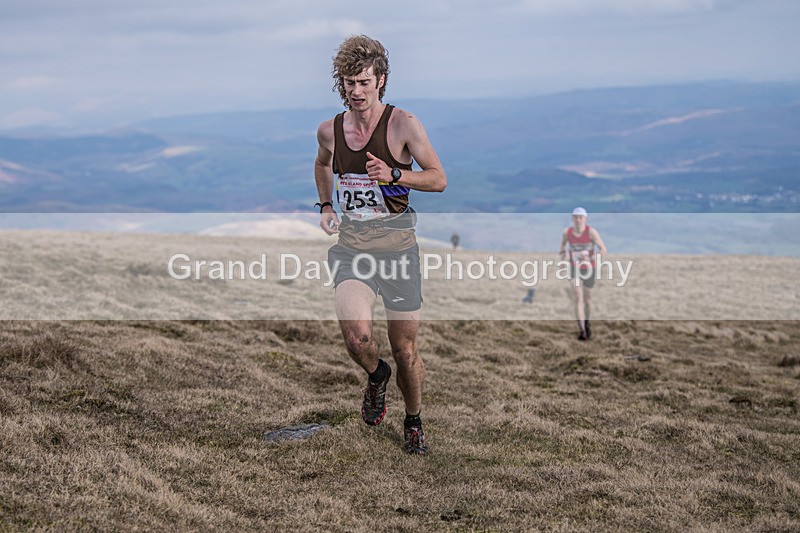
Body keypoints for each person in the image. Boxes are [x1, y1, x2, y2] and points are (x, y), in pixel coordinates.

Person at [314, 35, 446, 455]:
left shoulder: (404, 124)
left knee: (405, 351)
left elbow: (438, 179)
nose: (356, 91)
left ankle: (413, 420)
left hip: (398, 252)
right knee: (356, 338)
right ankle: (375, 375)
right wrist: (324, 205)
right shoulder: (330, 130)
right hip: (353, 250)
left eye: (363, 82)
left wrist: (393, 175)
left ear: (380, 80)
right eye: (349, 83)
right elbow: (321, 164)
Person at [559, 207, 607, 340]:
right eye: (575, 217)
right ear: (572, 218)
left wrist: (591, 257)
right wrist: (562, 260)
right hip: (573, 268)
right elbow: (562, 248)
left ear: (585, 219)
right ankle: (581, 330)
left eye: (581, 217)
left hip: (589, 268)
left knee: (587, 300)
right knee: (578, 298)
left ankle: (587, 323)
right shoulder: (567, 233)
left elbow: (603, 249)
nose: (578, 220)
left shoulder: (591, 232)